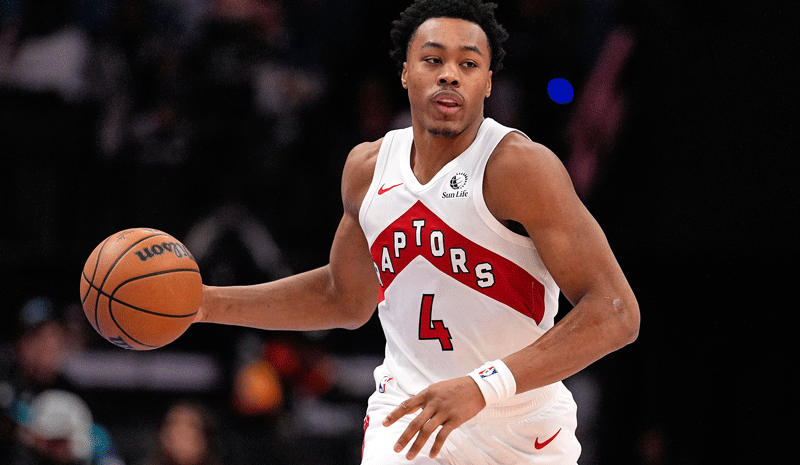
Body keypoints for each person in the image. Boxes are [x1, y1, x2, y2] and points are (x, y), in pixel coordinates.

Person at [194, 0, 640, 463]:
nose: (450, 74)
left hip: (521, 430)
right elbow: (341, 298)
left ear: (488, 82)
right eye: (433, 59)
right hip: (407, 417)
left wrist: (481, 387)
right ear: (406, 72)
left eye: (469, 63)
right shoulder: (367, 169)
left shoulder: (519, 169)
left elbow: (616, 312)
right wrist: (205, 304)